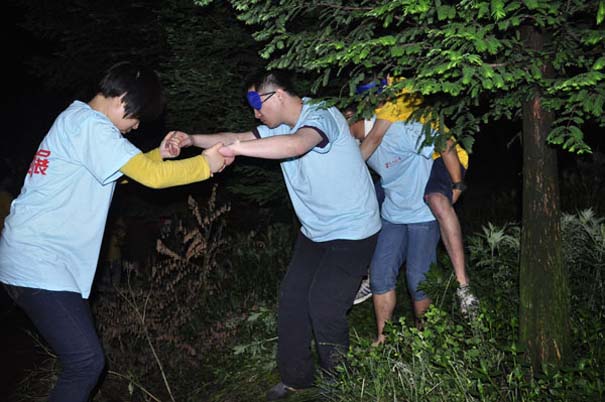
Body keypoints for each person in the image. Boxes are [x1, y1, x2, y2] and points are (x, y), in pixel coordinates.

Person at [0, 61, 229, 402]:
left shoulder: (76, 120)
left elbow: (122, 172)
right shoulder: (92, 126)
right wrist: (205, 165)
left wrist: (160, 155)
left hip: (32, 257)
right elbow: (150, 178)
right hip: (39, 260)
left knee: (82, 360)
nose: (134, 128)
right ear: (124, 100)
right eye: (136, 119)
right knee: (86, 361)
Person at [172, 70, 381, 400]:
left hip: (353, 230)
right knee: (293, 299)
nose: (255, 113)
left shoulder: (321, 115)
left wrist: (237, 150)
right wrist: (193, 140)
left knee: (324, 304)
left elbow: (297, 145)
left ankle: (339, 382)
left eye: (258, 105)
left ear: (278, 96)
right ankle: (297, 378)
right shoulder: (278, 124)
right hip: (315, 231)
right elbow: (234, 135)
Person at [352, 78, 478, 317]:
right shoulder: (376, 110)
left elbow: (375, 137)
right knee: (364, 203)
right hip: (403, 189)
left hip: (447, 155)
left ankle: (463, 284)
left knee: (438, 202)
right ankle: (369, 273)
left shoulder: (395, 99)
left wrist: (457, 185)